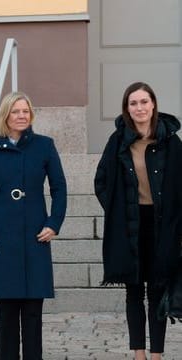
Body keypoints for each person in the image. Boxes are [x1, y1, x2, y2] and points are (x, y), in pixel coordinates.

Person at [0, 91, 67, 360]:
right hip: (1, 239)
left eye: (25, 111)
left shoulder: (44, 145)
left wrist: (54, 222)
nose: (21, 116)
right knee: (5, 313)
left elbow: (59, 188)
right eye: (15, 111)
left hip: (35, 237)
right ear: (6, 115)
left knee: (32, 312)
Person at [95, 82, 182, 360]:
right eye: (134, 103)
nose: (139, 108)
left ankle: (156, 354)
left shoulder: (170, 141)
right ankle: (139, 354)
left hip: (162, 226)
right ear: (127, 108)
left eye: (144, 102)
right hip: (129, 225)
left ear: (153, 104)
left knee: (157, 291)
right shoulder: (118, 140)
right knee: (133, 292)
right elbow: (102, 181)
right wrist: (117, 211)